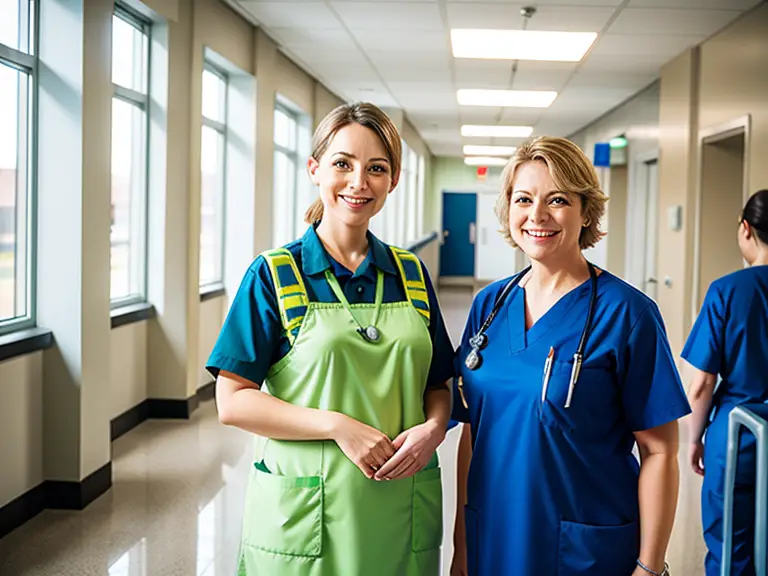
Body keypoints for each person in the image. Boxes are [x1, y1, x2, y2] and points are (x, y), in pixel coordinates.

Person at [207, 102, 453, 575]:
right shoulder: (275, 274)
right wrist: (338, 425)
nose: (359, 182)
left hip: (400, 505)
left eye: (376, 169)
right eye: (343, 164)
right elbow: (233, 401)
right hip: (309, 515)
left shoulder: (412, 275)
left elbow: (437, 384)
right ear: (316, 170)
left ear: (392, 180)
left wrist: (434, 429)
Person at [449, 136, 691, 576]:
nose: (537, 215)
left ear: (585, 211)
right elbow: (473, 433)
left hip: (583, 547)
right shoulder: (489, 306)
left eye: (557, 199)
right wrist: (461, 548)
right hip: (494, 536)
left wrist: (649, 566)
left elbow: (658, 451)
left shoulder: (628, 314)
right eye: (524, 199)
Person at [682, 188, 768, 576]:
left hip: (740, 440)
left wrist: (695, 437)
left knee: (733, 547)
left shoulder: (729, 291)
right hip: (743, 436)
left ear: (746, 229)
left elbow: (700, 383)